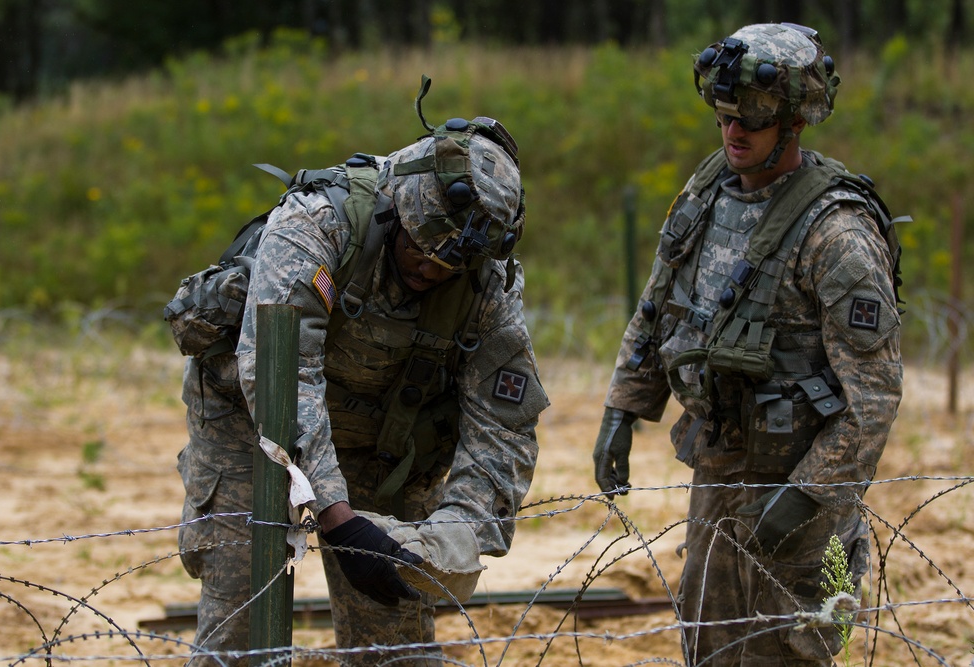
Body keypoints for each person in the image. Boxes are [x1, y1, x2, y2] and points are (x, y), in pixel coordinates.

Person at [176, 109, 548, 665]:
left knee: (393, 645)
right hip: (249, 425)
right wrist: (337, 516)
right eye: (419, 250)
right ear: (396, 211)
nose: (430, 270)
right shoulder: (316, 226)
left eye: (447, 264)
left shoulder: (483, 282)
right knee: (240, 634)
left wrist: (449, 539)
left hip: (382, 440)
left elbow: (504, 425)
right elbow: (282, 375)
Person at [592, 23, 903, 665]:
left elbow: (873, 395)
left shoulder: (837, 235)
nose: (733, 135)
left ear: (793, 124)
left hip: (798, 495)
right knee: (706, 647)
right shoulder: (706, 195)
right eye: (723, 119)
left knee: (782, 653)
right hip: (716, 471)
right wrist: (623, 408)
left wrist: (811, 492)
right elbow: (658, 308)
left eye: (751, 124)